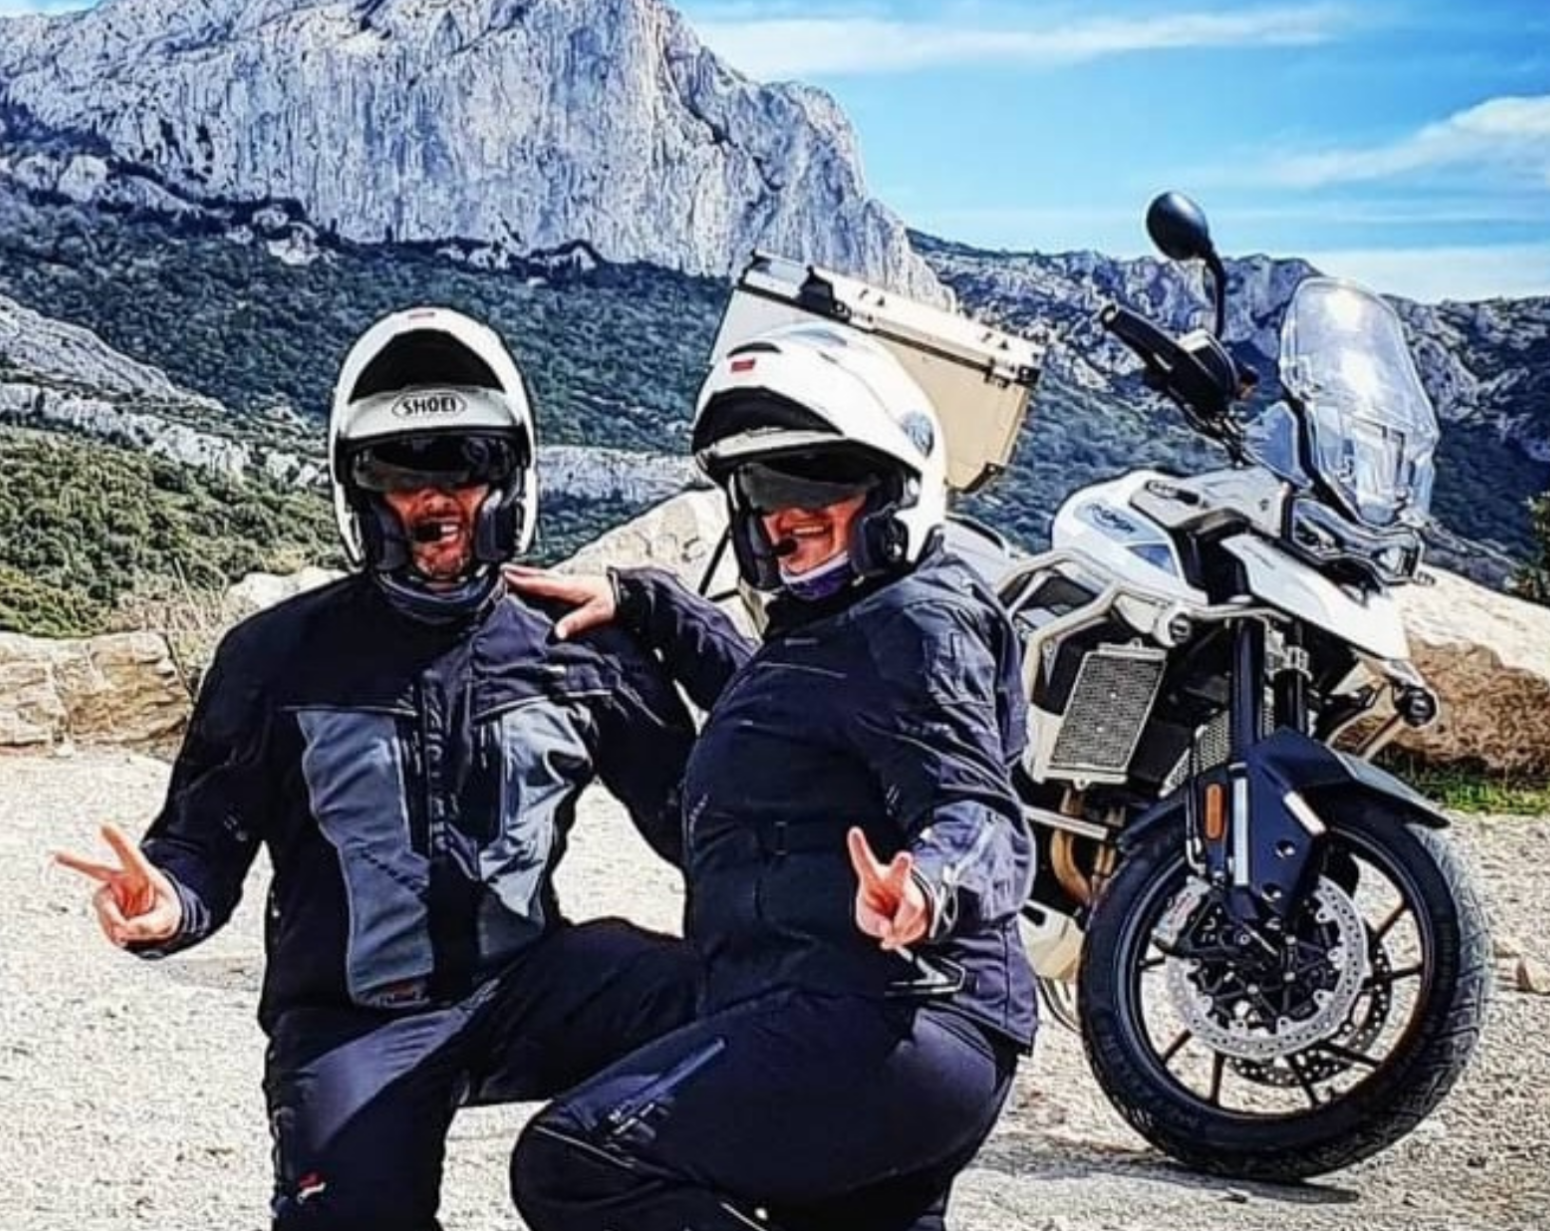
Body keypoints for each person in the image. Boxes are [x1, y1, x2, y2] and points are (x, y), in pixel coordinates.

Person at [52, 306, 707, 1231]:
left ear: (511, 478)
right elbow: (202, 845)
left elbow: (706, 826)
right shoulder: (274, 656)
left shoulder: (581, 651)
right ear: (356, 490)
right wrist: (165, 906)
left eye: (466, 465)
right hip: (353, 1022)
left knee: (763, 1016)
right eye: (400, 473)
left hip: (531, 985)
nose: (435, 501)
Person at [502, 322, 1037, 1231]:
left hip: (879, 1017)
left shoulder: (918, 624)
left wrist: (932, 889)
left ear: (893, 487)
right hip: (879, 1026)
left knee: (582, 1163)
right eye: (759, 489)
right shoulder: (843, 625)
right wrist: (647, 602)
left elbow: (978, 810)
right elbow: (777, 704)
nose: (782, 512)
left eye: (811, 484)